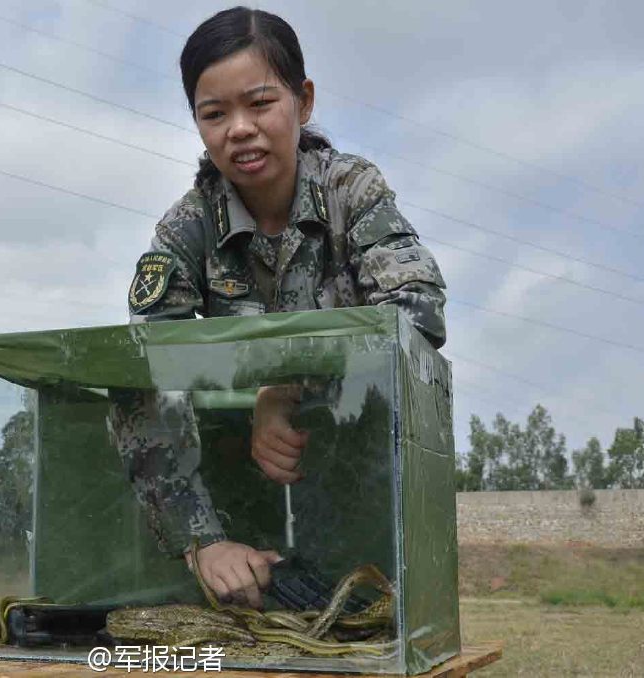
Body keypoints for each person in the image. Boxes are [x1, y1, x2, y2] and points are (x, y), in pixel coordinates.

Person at [111, 6, 446, 611]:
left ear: (304, 101)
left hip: (353, 480)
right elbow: (143, 373)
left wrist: (284, 389)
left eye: (260, 103)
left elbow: (417, 313)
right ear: (197, 122)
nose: (239, 129)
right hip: (229, 499)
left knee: (357, 624)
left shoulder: (352, 193)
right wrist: (202, 543)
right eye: (214, 114)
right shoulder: (186, 230)